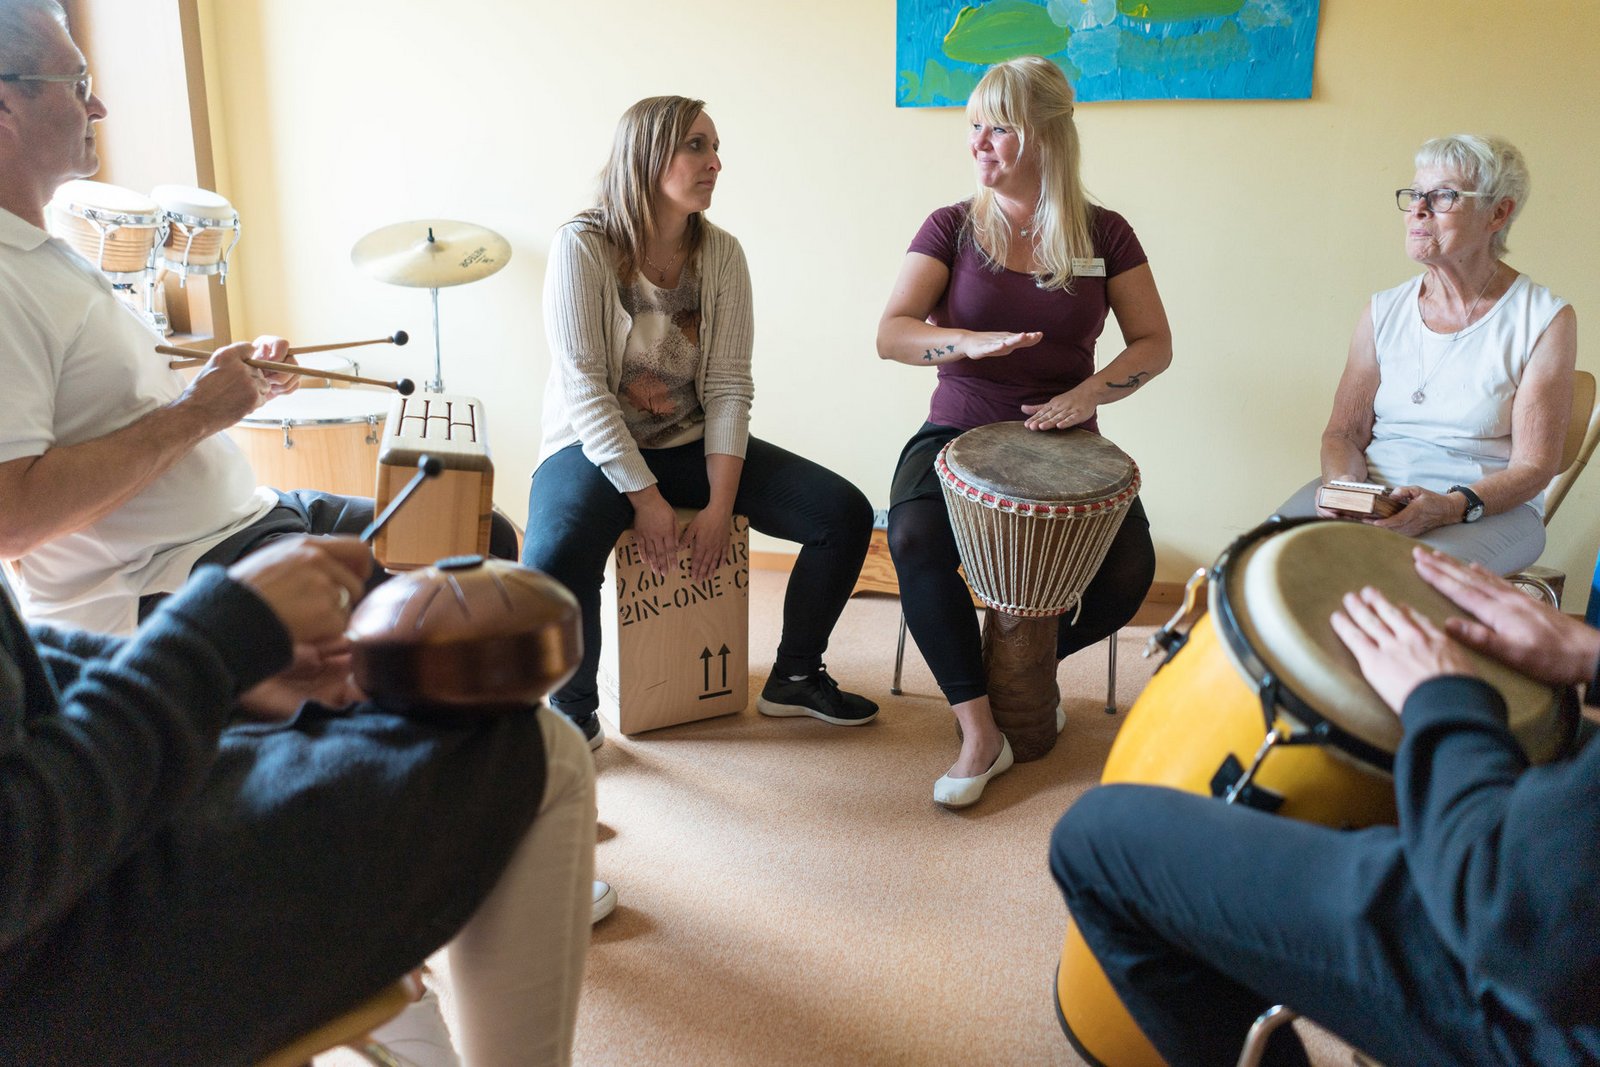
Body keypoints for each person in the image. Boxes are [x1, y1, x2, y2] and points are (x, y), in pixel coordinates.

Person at [0, 0, 517, 637]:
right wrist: (200, 410)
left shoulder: (48, 253)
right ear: (5, 105)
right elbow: (13, 521)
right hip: (163, 575)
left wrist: (236, 380)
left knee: (481, 532)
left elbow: (115, 404)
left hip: (247, 518)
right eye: (78, 84)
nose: (99, 106)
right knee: (456, 592)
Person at [0, 532, 596, 1066]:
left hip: (71, 836)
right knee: (534, 749)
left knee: (367, 719)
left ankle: (404, 1013)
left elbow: (23, 663)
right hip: (52, 962)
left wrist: (226, 678)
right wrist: (204, 646)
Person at [1052, 546, 1600, 1066]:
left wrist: (1445, 694)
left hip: (1543, 998)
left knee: (1096, 841)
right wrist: (1592, 653)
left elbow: (1509, 911)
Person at [525, 95, 877, 751]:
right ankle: (573, 714)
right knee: (551, 558)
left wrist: (719, 503)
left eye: (715, 147)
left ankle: (796, 675)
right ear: (648, 155)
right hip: (594, 445)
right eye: (697, 145)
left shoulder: (722, 255)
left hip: (689, 440)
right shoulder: (582, 247)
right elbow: (585, 390)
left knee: (843, 513)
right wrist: (646, 498)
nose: (715, 162)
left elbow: (726, 386)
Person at [875, 56, 1172, 807]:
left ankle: (1015, 666)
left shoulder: (1105, 232)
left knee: (1128, 574)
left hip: (1066, 438)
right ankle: (979, 728)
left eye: (999, 127)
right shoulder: (950, 226)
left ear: (1048, 135)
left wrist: (1087, 393)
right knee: (912, 541)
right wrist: (964, 344)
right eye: (973, 124)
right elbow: (893, 334)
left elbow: (1152, 343)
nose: (978, 142)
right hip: (957, 426)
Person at [1277, 134, 1577, 575]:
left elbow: (1534, 467)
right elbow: (1343, 434)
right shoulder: (1382, 311)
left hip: (1486, 507)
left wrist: (1451, 506)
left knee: (1398, 583)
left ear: (1498, 212)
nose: (1418, 209)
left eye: (1443, 196)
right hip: (1375, 493)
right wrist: (1346, 490)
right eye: (1415, 194)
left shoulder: (1544, 318)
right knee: (1258, 562)